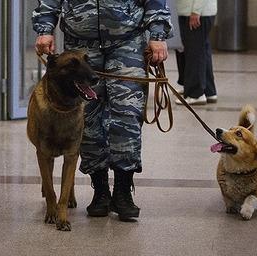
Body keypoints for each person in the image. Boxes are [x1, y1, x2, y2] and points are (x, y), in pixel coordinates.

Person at [33, 0, 173, 221]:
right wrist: (44, 28)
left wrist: (157, 35)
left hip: (126, 42)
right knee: (86, 119)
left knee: (127, 115)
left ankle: (123, 191)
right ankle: (100, 191)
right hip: (81, 47)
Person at [174, 0, 218, 105]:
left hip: (195, 13)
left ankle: (195, 93)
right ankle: (208, 91)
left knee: (194, 53)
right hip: (198, 12)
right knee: (201, 51)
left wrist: (196, 12)